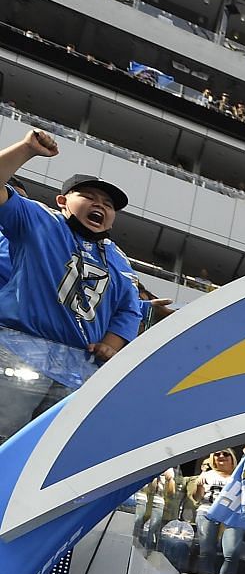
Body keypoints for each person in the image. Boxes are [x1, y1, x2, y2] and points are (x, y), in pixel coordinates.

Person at [0, 127, 145, 436]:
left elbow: (127, 310)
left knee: (43, 458)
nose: (101, 206)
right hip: (17, 348)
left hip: (78, 370)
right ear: (63, 201)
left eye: (108, 205)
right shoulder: (38, 220)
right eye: (90, 197)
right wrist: (26, 149)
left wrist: (110, 345)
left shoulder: (119, 260)